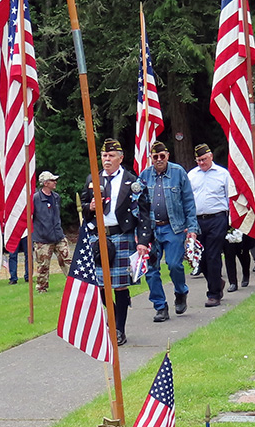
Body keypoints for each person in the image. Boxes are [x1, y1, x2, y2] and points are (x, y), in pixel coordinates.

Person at [80, 138, 151, 346]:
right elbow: (83, 205)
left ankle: (119, 329)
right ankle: (112, 322)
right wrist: (90, 207)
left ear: (121, 158)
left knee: (119, 286)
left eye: (111, 156)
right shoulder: (93, 178)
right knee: (101, 285)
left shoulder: (133, 181)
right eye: (104, 156)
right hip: (99, 236)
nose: (106, 159)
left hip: (122, 235)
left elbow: (144, 213)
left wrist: (143, 241)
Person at [136, 139, 197, 322]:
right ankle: (160, 306)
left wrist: (192, 228)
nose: (159, 159)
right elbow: (138, 205)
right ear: (151, 158)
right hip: (152, 230)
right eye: (155, 157)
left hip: (174, 228)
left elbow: (189, 202)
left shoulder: (178, 173)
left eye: (162, 156)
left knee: (174, 264)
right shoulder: (144, 176)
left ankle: (181, 291)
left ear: (168, 156)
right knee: (151, 269)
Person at [187, 144, 235, 305]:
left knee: (213, 255)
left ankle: (213, 294)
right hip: (198, 220)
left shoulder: (223, 174)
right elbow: (187, 200)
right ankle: (217, 282)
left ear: (211, 157)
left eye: (204, 159)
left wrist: (231, 222)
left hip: (217, 218)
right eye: (198, 160)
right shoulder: (192, 175)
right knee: (201, 258)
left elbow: (230, 198)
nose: (201, 163)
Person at [30, 172, 70, 293]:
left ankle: (74, 283)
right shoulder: (35, 198)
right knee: (43, 265)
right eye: (52, 180)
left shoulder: (56, 197)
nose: (55, 182)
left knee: (67, 260)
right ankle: (42, 288)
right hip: (42, 238)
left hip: (58, 235)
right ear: (46, 183)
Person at [223, 195, 255, 289]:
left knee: (243, 252)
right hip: (226, 219)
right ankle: (233, 282)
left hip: (242, 218)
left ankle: (246, 274)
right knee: (229, 254)